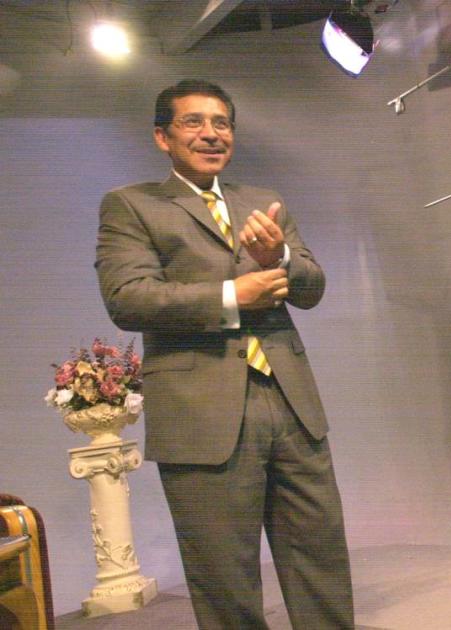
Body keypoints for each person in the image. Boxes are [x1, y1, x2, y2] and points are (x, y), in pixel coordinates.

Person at [95, 79, 354, 629]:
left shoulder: (263, 203)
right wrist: (233, 296)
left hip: (291, 404)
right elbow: (127, 298)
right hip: (200, 413)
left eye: (222, 123)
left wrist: (280, 255)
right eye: (194, 122)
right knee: (224, 578)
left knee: (320, 559)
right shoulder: (131, 205)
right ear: (163, 137)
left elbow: (311, 287)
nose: (212, 134)